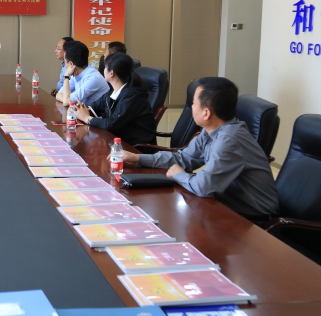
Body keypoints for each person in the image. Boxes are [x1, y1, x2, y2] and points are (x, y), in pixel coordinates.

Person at [119, 77, 279, 221]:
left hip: (255, 219)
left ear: (206, 113)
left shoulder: (228, 141)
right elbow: (182, 158)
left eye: (194, 103)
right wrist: (138, 158)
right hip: (224, 202)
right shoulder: (211, 130)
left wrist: (179, 175)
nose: (191, 106)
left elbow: (204, 186)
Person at [75, 52, 156, 145]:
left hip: (135, 147)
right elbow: (95, 106)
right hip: (116, 141)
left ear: (111, 73)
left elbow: (111, 124)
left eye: (105, 67)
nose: (103, 70)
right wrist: (82, 110)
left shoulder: (131, 97)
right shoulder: (113, 91)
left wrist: (87, 118)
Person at [55, 40, 108, 106]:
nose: (64, 65)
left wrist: (66, 76)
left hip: (97, 113)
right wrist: (68, 100)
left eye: (65, 62)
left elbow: (66, 102)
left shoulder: (93, 78)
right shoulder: (77, 74)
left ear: (71, 64)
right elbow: (58, 95)